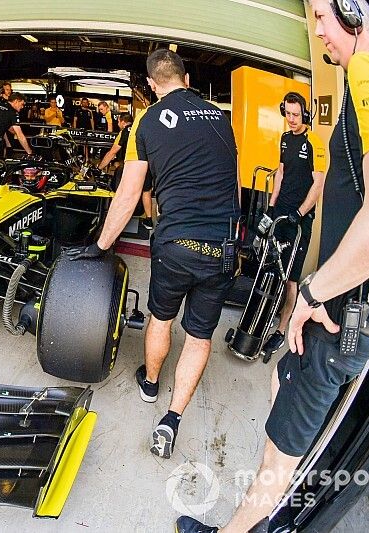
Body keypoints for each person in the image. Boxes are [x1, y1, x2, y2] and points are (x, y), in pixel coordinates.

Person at [176, 1, 369, 532]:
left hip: (341, 313)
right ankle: (280, 504)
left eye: (323, 16)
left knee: (277, 458)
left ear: (352, 10)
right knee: (282, 378)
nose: (320, 32)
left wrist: (313, 293)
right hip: (352, 304)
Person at [68, 49, 239, 461]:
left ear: (150, 85)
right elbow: (230, 182)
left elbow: (129, 194)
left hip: (176, 243)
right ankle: (172, 419)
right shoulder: (220, 117)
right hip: (222, 246)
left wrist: (100, 246)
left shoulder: (146, 122)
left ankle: (149, 384)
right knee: (199, 337)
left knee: (161, 318)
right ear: (187, 75)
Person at [259, 92, 326, 358]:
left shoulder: (315, 143)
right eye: (287, 113)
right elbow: (281, 173)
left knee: (290, 278)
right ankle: (259, 316)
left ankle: (280, 329)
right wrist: (272, 207)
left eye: (296, 114)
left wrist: (299, 213)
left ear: (305, 114)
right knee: (269, 263)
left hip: (300, 219)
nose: (291, 119)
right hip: (281, 212)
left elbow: (318, 184)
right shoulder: (285, 139)